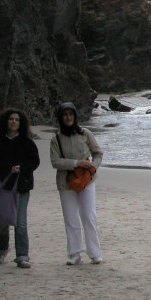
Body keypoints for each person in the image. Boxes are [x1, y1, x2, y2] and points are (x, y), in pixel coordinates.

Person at [0, 109, 40, 268]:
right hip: (3, 187)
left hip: (21, 187)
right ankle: (1, 251)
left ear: (21, 123)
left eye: (17, 120)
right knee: (2, 222)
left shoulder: (27, 142)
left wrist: (22, 168)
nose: (14, 122)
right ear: (6, 121)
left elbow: (34, 161)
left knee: (20, 223)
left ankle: (22, 256)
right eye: (11, 119)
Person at [50, 102, 104, 265]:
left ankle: (94, 253)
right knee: (71, 219)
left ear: (75, 116)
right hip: (65, 183)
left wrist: (92, 168)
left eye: (71, 114)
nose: (68, 117)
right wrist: (76, 163)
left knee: (89, 217)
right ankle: (74, 253)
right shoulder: (56, 139)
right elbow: (55, 162)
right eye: (65, 114)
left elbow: (98, 153)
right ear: (61, 118)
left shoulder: (85, 133)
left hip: (87, 181)